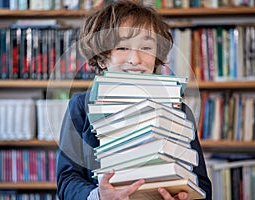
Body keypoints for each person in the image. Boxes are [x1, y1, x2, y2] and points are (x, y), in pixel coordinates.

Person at [56, 1, 212, 200]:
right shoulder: (80, 107)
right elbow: (67, 180)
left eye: (146, 47)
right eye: (122, 47)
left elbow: (202, 185)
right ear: (102, 58)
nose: (135, 59)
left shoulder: (178, 110)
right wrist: (98, 196)